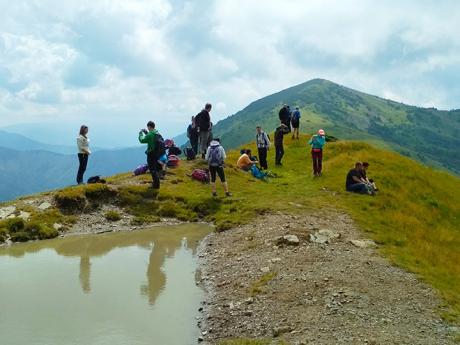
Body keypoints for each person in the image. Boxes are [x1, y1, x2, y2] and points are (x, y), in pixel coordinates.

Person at [139, 121, 163, 190]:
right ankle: (156, 182)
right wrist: (146, 132)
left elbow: (142, 140)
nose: (148, 128)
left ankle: (156, 185)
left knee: (152, 169)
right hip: (157, 153)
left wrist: (140, 133)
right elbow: (151, 138)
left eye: (148, 127)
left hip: (151, 154)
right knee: (155, 168)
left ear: (149, 126)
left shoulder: (150, 135)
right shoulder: (156, 132)